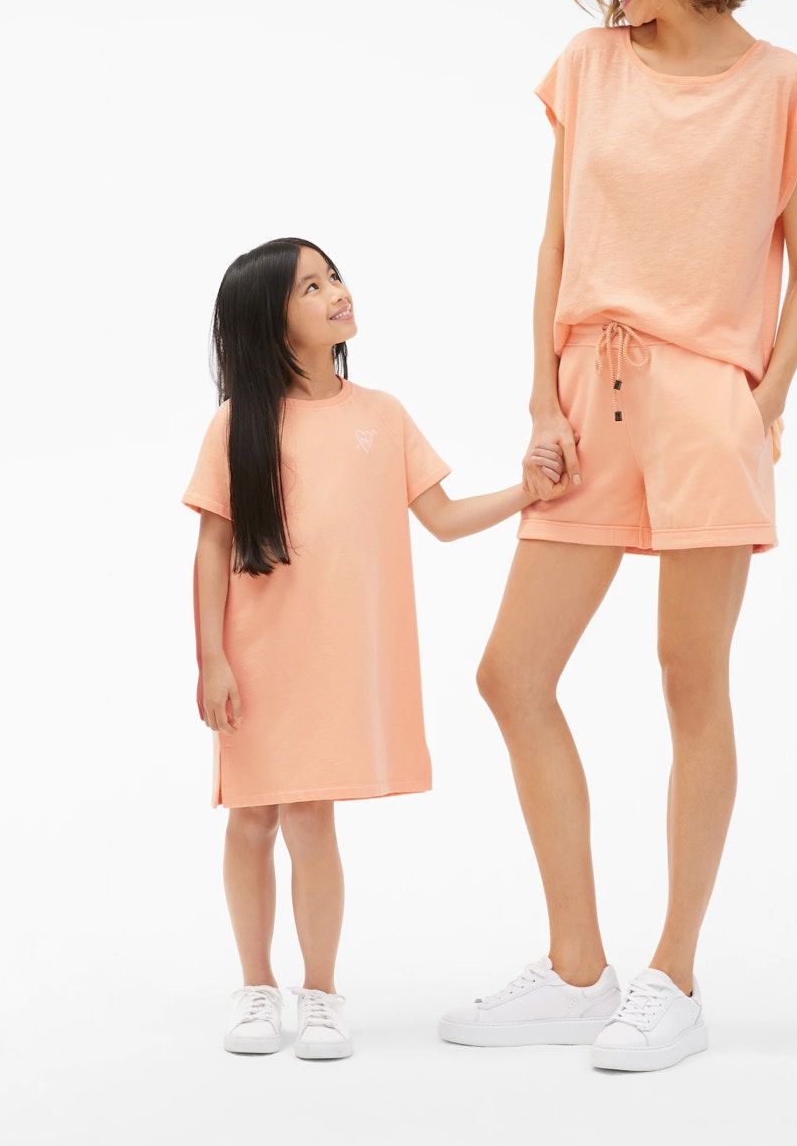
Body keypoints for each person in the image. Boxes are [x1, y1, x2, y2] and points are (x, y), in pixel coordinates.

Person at [439, 0, 797, 1072]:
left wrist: (763, 400)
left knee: (688, 681)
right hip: (587, 396)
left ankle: (674, 977)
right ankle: (575, 969)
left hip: (710, 404)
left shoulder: (780, 83)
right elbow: (554, 245)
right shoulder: (589, 66)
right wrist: (537, 401)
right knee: (512, 673)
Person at [182, 237, 564, 1059]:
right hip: (257, 659)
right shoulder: (237, 425)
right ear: (269, 322)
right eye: (309, 288)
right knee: (252, 817)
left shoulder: (382, 416)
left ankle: (320, 994)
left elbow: (443, 519)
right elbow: (212, 547)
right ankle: (257, 987)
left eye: (333, 277)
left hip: (334, 662)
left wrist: (525, 493)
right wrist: (212, 658)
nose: (335, 292)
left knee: (310, 815)